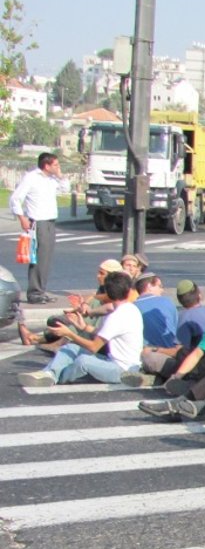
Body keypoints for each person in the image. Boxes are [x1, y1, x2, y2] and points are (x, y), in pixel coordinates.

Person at [18, 271, 143, 387]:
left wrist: (70, 334)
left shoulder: (117, 316)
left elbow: (94, 347)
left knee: (83, 361)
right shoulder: (131, 309)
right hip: (114, 361)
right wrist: (84, 327)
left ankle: (56, 377)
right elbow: (107, 333)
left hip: (122, 369)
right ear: (128, 292)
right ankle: (49, 374)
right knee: (71, 348)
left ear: (108, 294)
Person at [9, 151, 70, 304]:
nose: (58, 167)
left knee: (46, 258)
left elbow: (65, 188)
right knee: (38, 257)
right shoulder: (32, 178)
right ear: (46, 165)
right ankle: (35, 292)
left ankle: (41, 290)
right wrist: (22, 217)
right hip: (38, 222)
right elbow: (16, 199)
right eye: (55, 165)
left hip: (50, 221)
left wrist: (60, 174)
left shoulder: (51, 179)